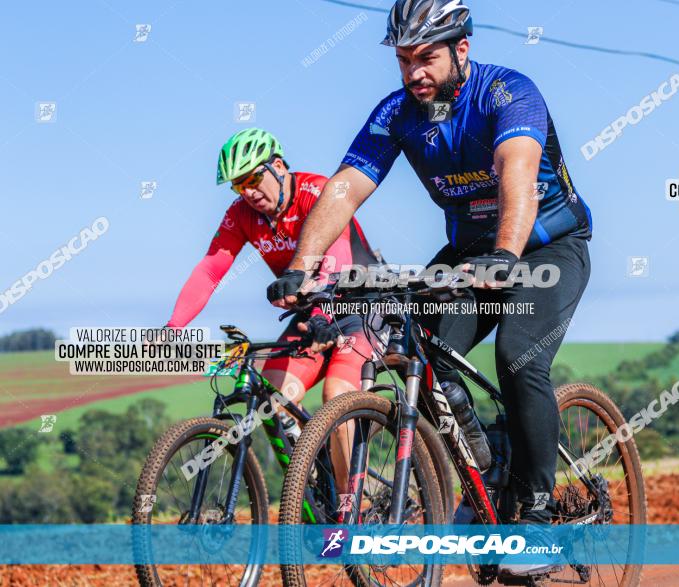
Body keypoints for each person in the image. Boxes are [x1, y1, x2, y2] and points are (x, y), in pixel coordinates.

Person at [266, 1, 592, 576]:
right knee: (415, 352)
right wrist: (302, 264)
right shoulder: (400, 113)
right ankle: (485, 469)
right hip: (470, 258)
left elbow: (518, 173)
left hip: (545, 248)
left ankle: (538, 516)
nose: (415, 72)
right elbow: (345, 188)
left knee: (519, 359)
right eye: (403, 60)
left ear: (460, 50)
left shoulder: (508, 94)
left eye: (427, 58)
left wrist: (505, 256)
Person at [166, 128, 378, 460]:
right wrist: (173, 327)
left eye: (252, 179)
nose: (247, 192)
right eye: (239, 185)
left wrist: (323, 315)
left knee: (336, 399)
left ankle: (351, 509)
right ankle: (312, 482)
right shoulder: (242, 215)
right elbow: (210, 270)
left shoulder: (317, 192)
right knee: (274, 402)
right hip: (313, 317)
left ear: (278, 166)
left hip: (362, 309)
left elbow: (336, 261)